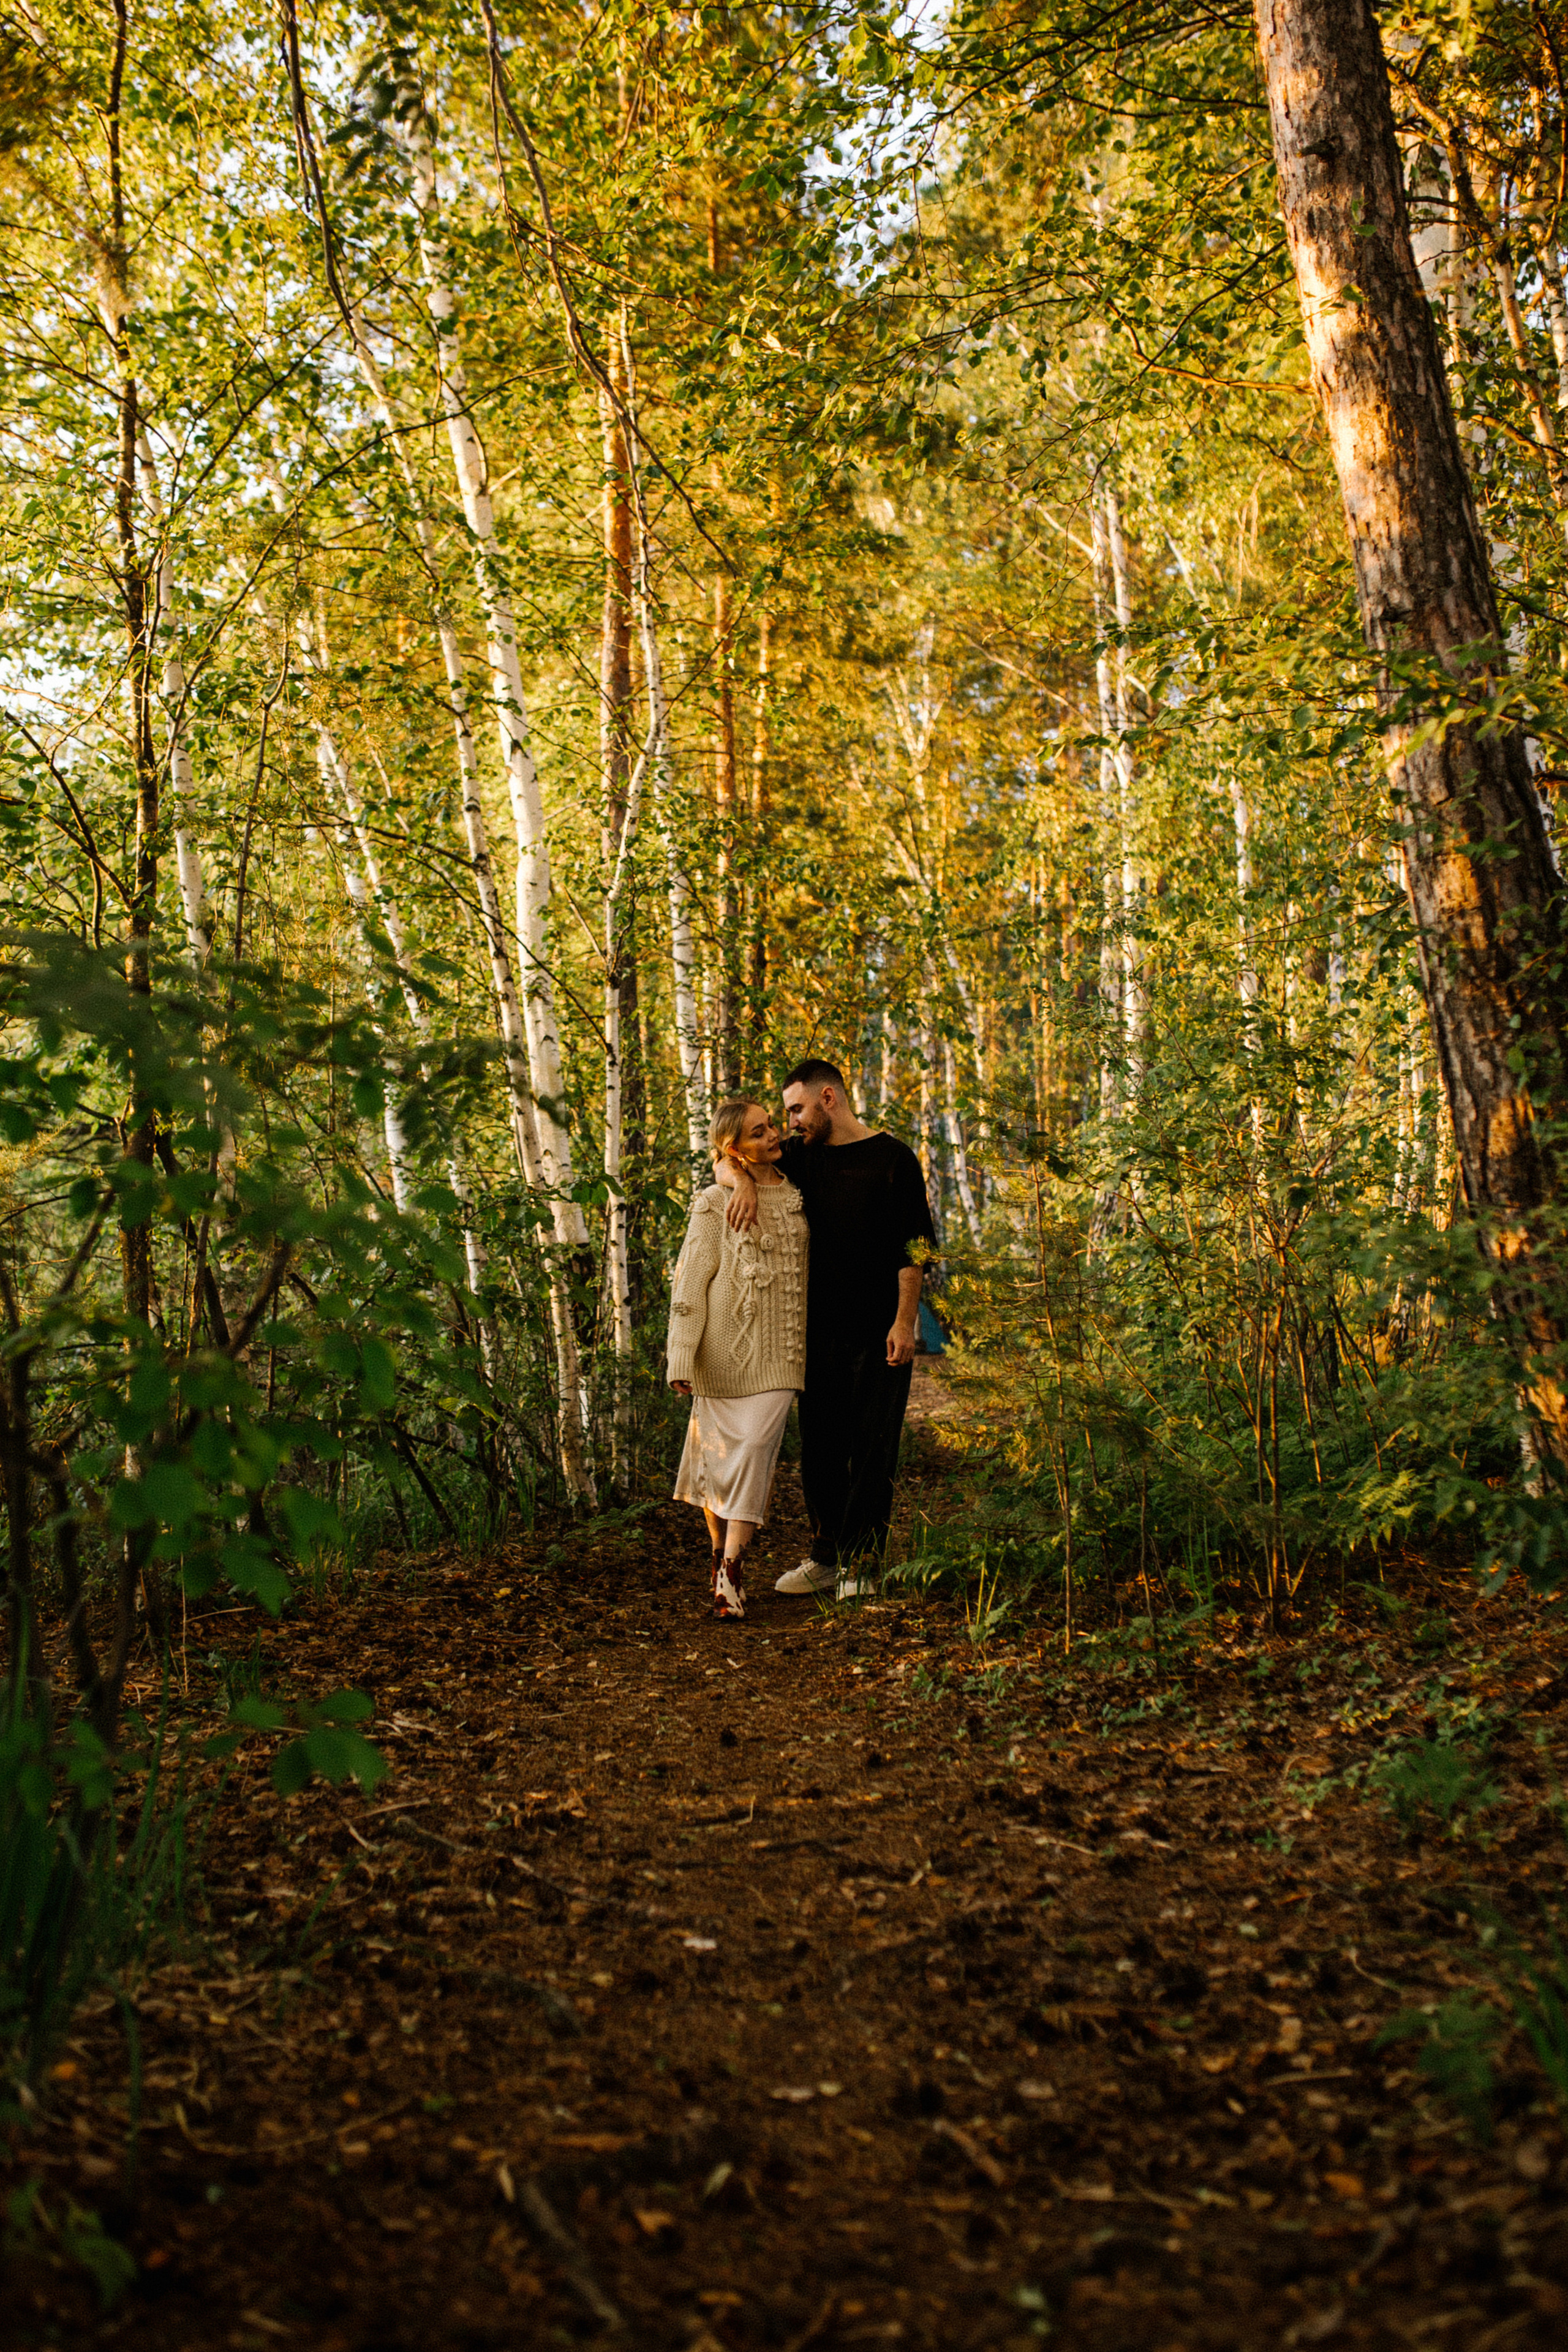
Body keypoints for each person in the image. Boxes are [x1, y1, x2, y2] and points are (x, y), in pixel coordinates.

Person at [717, 1058, 937, 1600]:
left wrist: (905, 1321)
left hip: (880, 1330)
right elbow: (725, 1158)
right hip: (813, 1334)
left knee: (872, 1447)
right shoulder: (802, 1158)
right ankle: (826, 1557)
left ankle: (862, 1563)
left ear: (829, 1099)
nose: (789, 1122)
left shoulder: (893, 1159)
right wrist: (742, 1181)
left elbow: (916, 1249)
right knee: (819, 1448)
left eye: (796, 1109)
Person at [666, 1096, 809, 1619]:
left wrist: (746, 1177)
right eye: (758, 1133)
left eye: (771, 1125)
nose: (773, 1135)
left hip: (780, 1355)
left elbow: (729, 1159)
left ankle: (731, 1569)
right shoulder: (711, 1202)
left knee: (751, 1449)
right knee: (716, 1465)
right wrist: (681, 1355)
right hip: (718, 1355)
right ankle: (718, 1559)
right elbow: (691, 1281)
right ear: (734, 1149)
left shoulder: (798, 1191)